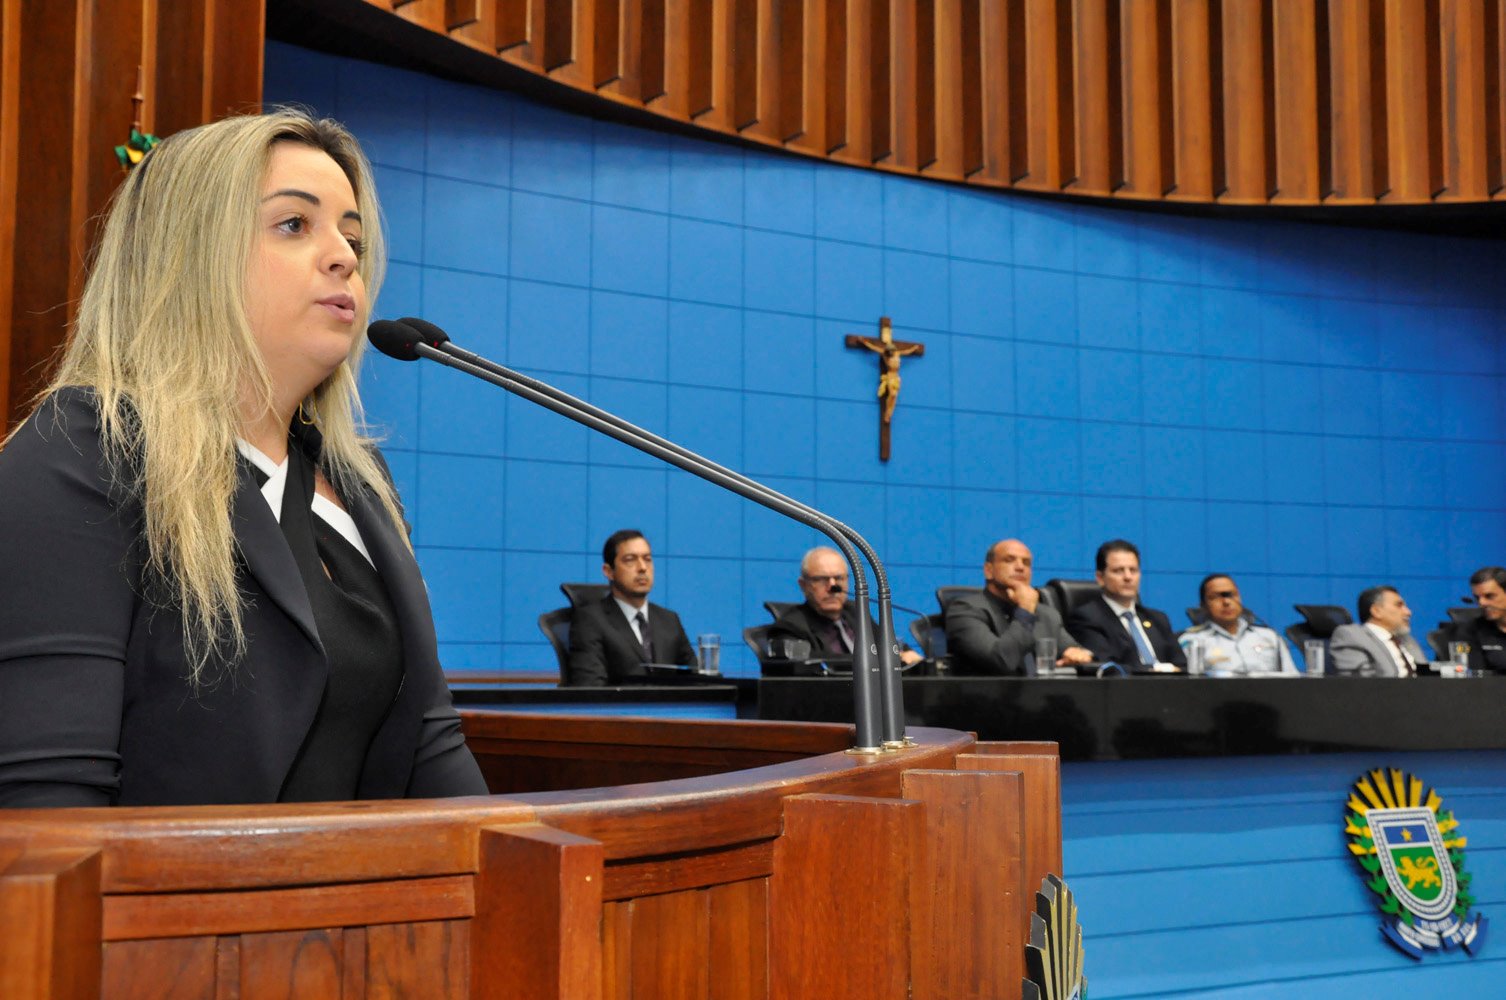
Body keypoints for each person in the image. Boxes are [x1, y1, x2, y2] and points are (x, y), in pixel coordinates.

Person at [0, 110, 487, 808]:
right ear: (187, 255)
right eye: (294, 224)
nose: (345, 257)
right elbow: (47, 805)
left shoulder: (361, 483)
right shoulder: (82, 454)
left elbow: (432, 746)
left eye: (352, 237)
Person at [567, 529, 697, 685]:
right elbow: (591, 688)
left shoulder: (669, 620)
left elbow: (698, 679)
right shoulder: (590, 621)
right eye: (630, 560)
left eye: (647, 559)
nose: (642, 567)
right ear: (609, 571)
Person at [946, 539, 1092, 675]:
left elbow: (1077, 651)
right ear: (988, 570)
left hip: (1043, 692)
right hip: (988, 693)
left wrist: (1081, 655)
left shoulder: (1046, 615)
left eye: (1026, 563)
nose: (1020, 567)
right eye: (1009, 560)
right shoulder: (965, 610)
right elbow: (1001, 661)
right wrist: (1026, 611)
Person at [767, 546, 923, 668]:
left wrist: (906, 653)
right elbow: (809, 661)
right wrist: (878, 659)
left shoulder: (855, 611)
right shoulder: (790, 627)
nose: (832, 587)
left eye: (839, 578)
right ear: (804, 585)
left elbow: (887, 642)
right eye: (822, 579)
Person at [1067, 540, 1187, 669]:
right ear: (1100, 578)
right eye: (1118, 571)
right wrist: (1157, 670)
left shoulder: (1158, 618)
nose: (1128, 577)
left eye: (1133, 570)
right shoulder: (1087, 618)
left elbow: (1182, 664)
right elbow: (1109, 667)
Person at [1178, 574, 1297, 675]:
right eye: (1215, 597)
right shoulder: (1192, 641)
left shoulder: (1270, 637)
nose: (1226, 602)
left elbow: (1292, 679)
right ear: (1203, 605)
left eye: (1231, 595)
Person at [1329, 586, 1429, 676]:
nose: (1408, 612)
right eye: (1399, 605)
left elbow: (1427, 675)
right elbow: (1362, 682)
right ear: (1376, 611)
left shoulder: (1407, 639)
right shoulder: (1351, 636)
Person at [1455, 567, 1506, 673]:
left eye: (1489, 596)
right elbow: (1474, 677)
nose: (1482, 603)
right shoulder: (1469, 632)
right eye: (1477, 598)